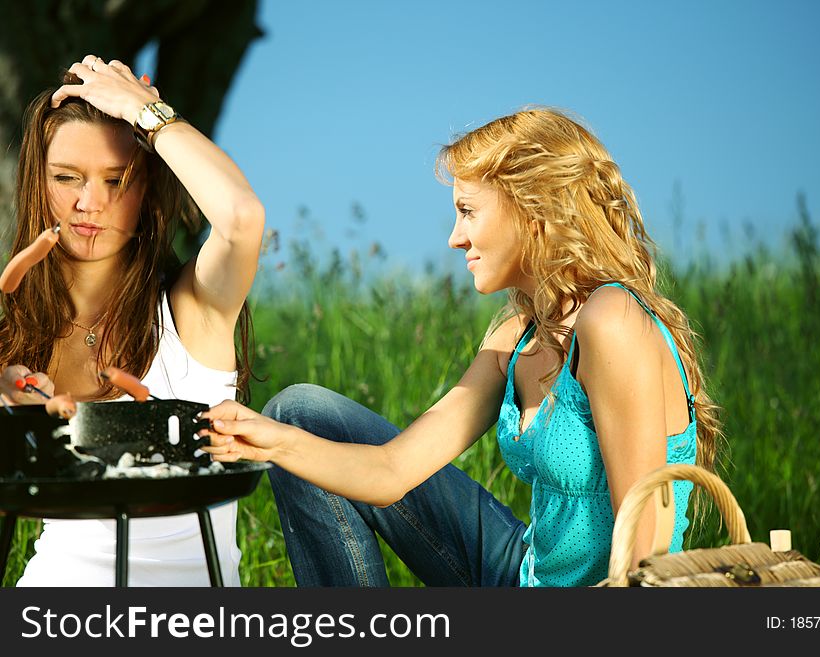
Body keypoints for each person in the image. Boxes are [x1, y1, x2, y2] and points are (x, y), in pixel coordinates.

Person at [202, 108, 722, 587]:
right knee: (298, 414)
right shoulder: (516, 334)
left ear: (532, 208)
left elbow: (645, 547)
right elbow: (392, 473)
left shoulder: (614, 320)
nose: (455, 238)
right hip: (520, 572)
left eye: (468, 211)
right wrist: (269, 442)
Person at [0, 54, 264, 586]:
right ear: (38, 184)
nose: (88, 203)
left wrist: (147, 113)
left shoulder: (193, 309)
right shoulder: (18, 331)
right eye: (67, 177)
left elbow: (242, 218)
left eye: (116, 181)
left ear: (144, 190)